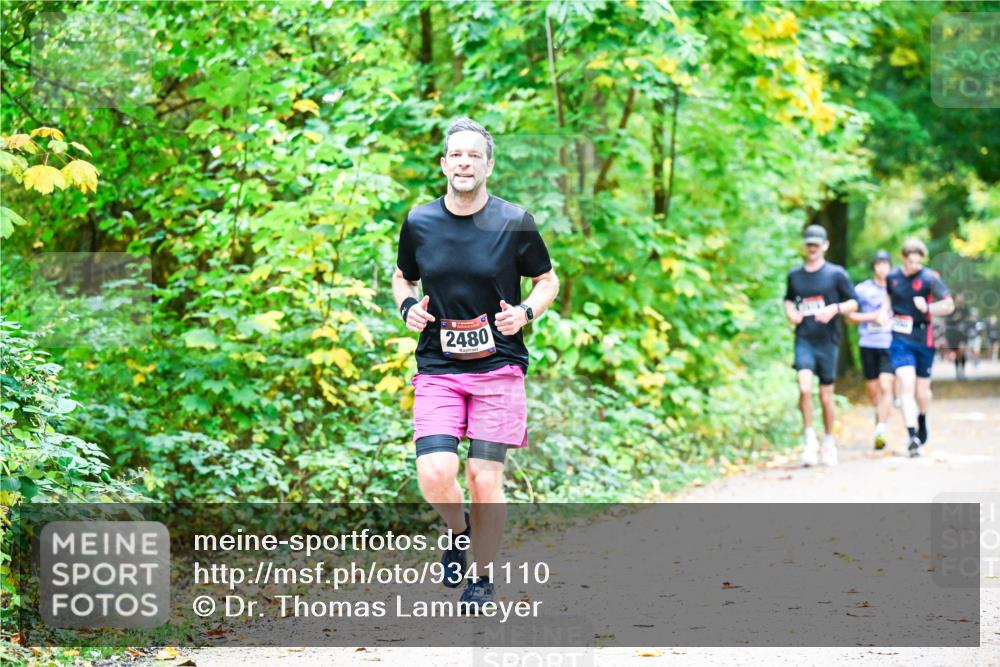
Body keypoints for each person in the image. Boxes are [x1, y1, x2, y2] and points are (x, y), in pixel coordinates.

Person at [392, 117, 560, 612]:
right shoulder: (420, 222)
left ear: (488, 166)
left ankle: (482, 580)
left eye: (474, 156)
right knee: (434, 472)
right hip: (439, 366)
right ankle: (458, 530)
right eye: (456, 155)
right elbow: (403, 277)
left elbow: (547, 280)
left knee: (484, 479)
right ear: (443, 164)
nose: (464, 163)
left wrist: (525, 312)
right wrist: (407, 306)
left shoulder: (514, 221)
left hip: (499, 367)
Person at [783, 224, 859, 467]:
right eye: (809, 244)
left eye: (816, 244)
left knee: (826, 396)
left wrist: (834, 309)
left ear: (825, 245)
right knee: (805, 388)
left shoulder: (836, 274)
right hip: (804, 338)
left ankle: (828, 442)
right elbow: (788, 300)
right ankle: (809, 441)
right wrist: (790, 312)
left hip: (828, 341)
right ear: (804, 246)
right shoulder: (795, 275)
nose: (812, 248)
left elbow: (854, 303)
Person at [885, 238, 954, 457]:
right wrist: (883, 315)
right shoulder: (892, 277)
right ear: (904, 259)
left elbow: (949, 305)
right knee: (906, 383)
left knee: (922, 391)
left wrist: (929, 307)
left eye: (918, 262)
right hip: (900, 338)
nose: (915, 266)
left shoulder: (930, 278)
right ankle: (912, 434)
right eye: (911, 262)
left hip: (924, 338)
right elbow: (887, 300)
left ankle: (922, 419)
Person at [847, 250, 893, 450]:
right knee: (874, 391)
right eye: (878, 264)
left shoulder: (896, 288)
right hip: (868, 344)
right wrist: (872, 317)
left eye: (885, 264)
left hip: (890, 344)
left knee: (886, 386)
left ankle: (881, 428)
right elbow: (849, 317)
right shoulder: (862, 290)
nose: (882, 268)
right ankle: (880, 416)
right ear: (874, 267)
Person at [944, 293, 970, 381]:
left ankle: (962, 371)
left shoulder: (965, 310)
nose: (960, 301)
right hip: (953, 335)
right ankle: (958, 372)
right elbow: (947, 321)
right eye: (958, 299)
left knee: (961, 351)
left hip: (963, 335)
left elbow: (969, 321)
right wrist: (954, 319)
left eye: (961, 299)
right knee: (956, 354)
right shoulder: (951, 310)